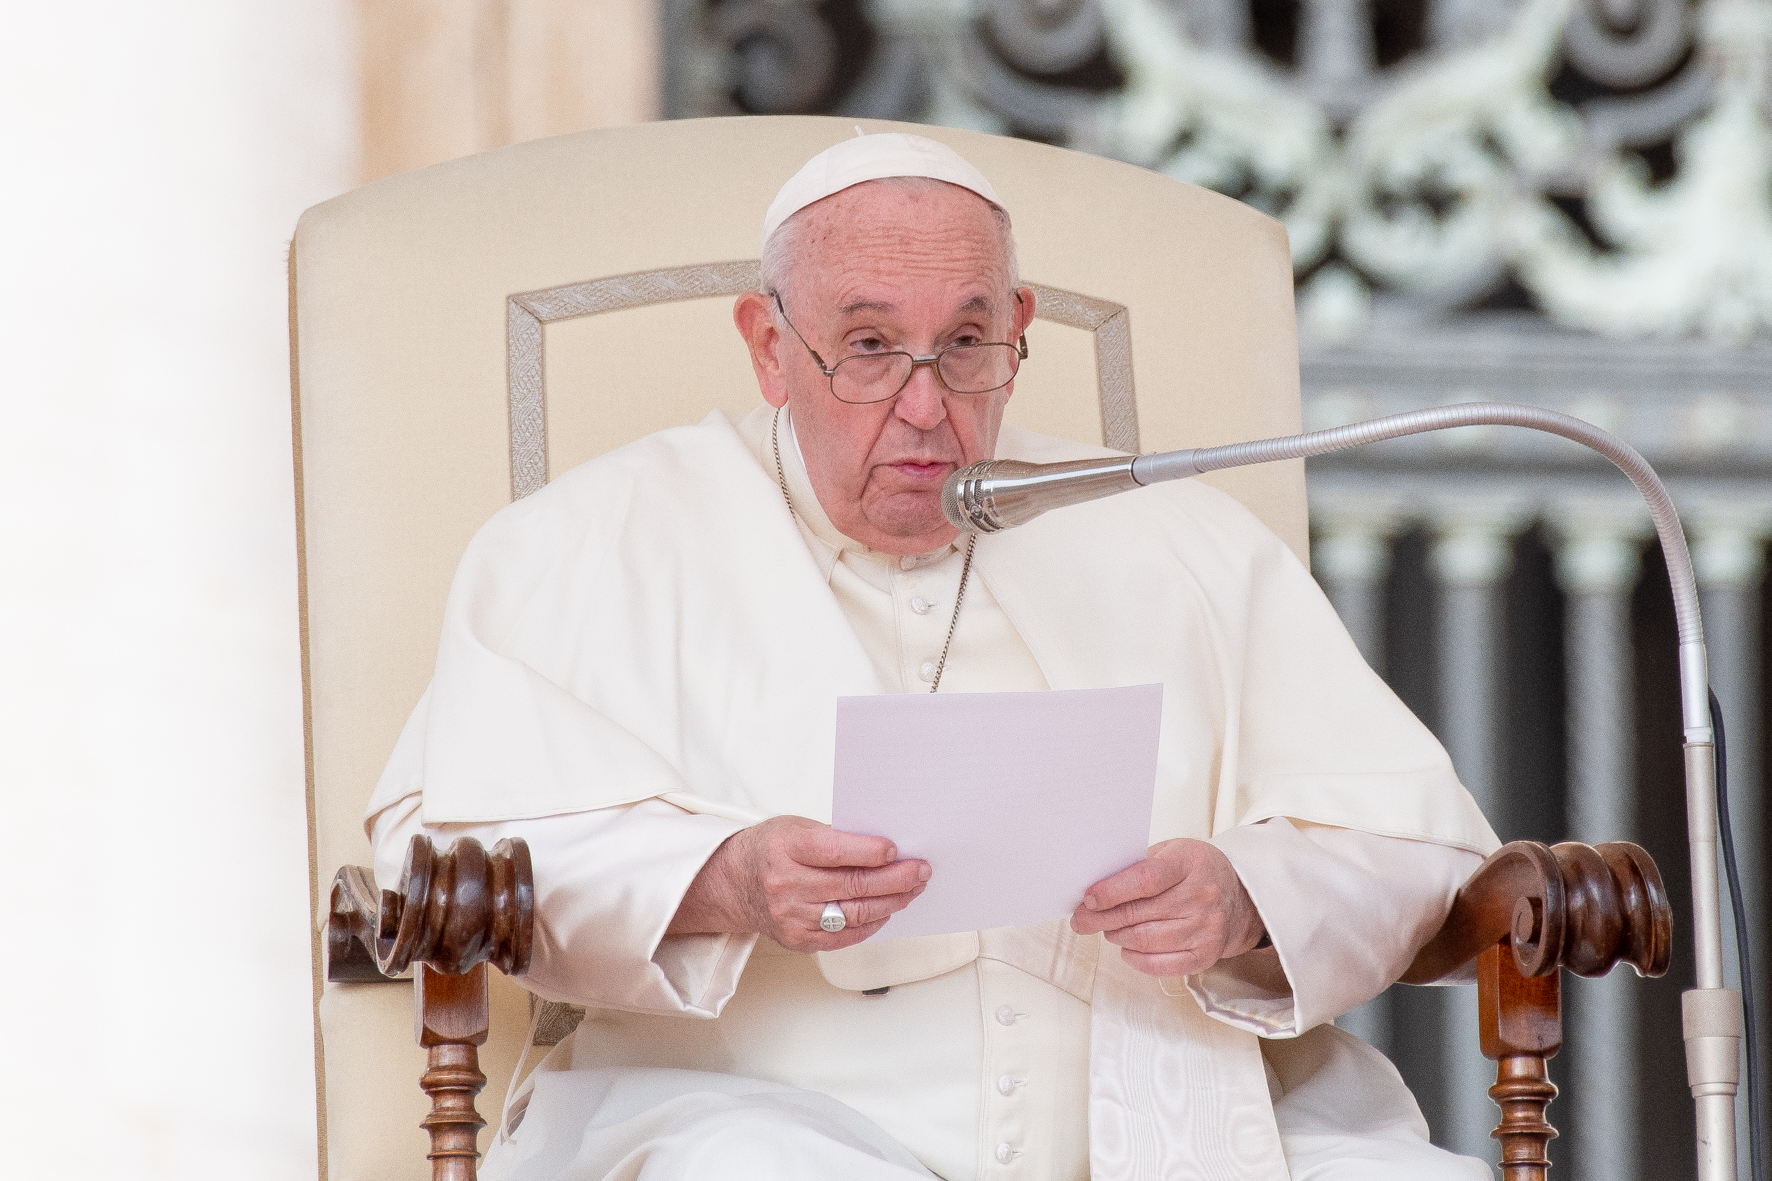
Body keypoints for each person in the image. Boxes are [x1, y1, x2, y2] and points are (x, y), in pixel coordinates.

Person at [366, 133, 1499, 1181]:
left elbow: (1411, 845)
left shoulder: (1177, 534)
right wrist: (723, 879)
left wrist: (1247, 896)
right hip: (756, 1115)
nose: (924, 407)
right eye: (866, 346)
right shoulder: (593, 542)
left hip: (1184, 1119)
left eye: (963, 345)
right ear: (769, 347)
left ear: (1019, 332)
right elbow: (441, 857)